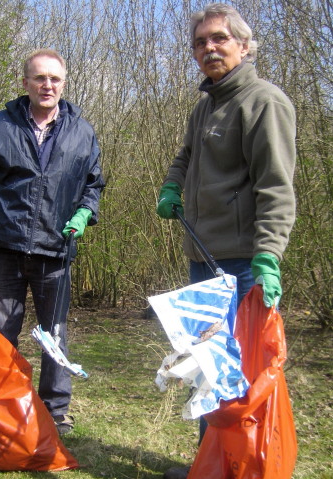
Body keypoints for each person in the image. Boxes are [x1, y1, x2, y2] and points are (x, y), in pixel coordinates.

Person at [156, 4, 296, 478]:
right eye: (200, 42)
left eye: (219, 39)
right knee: (208, 369)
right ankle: (211, 464)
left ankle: (238, 468)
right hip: (203, 255)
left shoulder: (264, 102)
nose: (209, 48)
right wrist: (173, 184)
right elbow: (186, 155)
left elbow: (276, 187)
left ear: (243, 44)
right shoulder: (205, 106)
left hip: (240, 262)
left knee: (235, 372)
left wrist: (269, 255)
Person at [0, 48, 105, 435]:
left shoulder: (82, 132)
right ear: (25, 83)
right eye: (39, 78)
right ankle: (3, 403)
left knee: (54, 333)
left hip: (55, 249)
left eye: (54, 78)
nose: (47, 85)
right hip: (5, 246)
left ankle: (55, 409)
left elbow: (93, 184)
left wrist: (85, 213)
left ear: (64, 83)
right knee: (2, 331)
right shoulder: (0, 126)